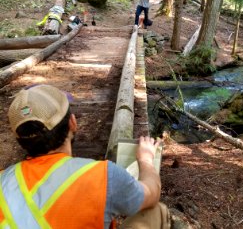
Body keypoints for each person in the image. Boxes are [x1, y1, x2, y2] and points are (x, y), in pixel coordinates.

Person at [0, 84, 170, 229]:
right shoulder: (102, 176)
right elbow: (152, 192)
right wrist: (146, 159)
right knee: (156, 211)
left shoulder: (3, 179)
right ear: (72, 123)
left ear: (19, 140)